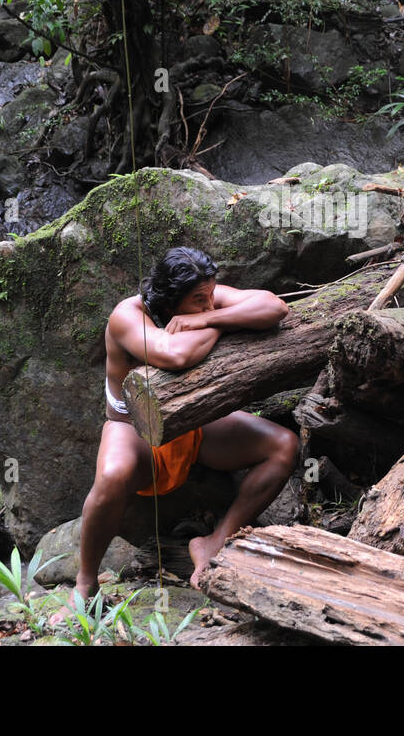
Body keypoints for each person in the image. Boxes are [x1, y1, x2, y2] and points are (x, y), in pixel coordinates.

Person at [70, 246, 296, 601]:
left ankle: (213, 544)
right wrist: (227, 320)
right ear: (169, 302)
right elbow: (174, 354)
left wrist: (206, 319)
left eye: (211, 296)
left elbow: (275, 307)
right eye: (199, 301)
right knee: (112, 476)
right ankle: (85, 582)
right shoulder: (127, 315)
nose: (209, 303)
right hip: (135, 430)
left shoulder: (203, 295)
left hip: (195, 423)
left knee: (283, 446)